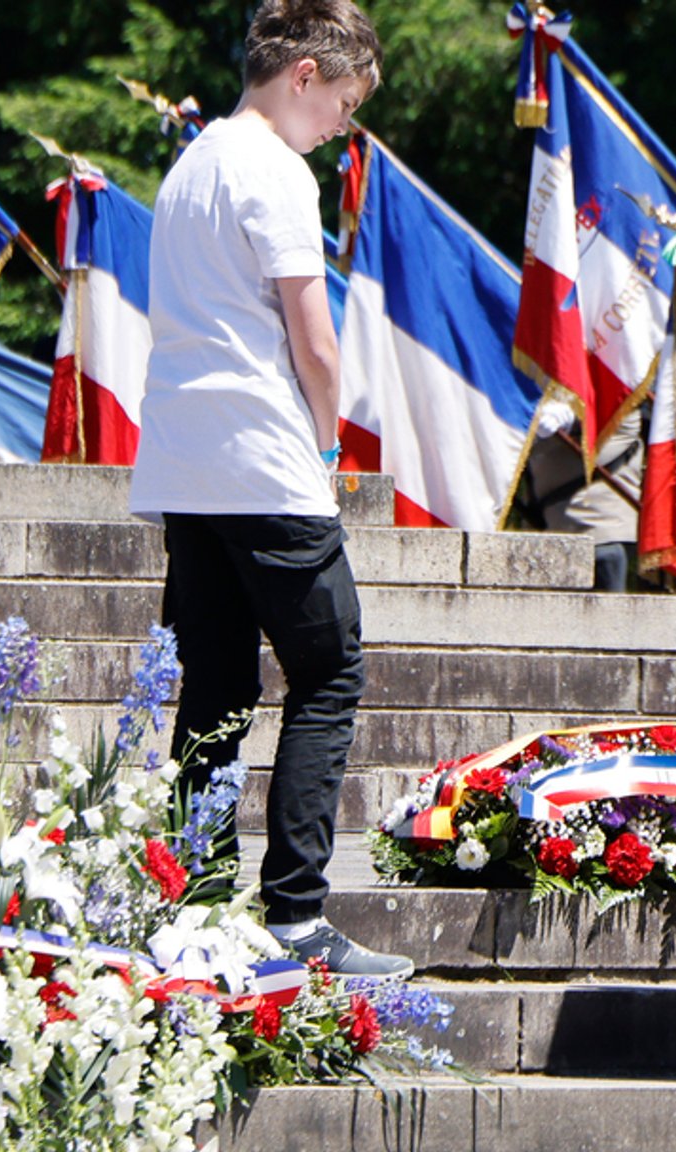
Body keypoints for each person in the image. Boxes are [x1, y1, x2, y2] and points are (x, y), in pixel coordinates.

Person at [127, 0, 410, 978]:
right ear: (302, 76)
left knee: (212, 687)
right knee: (328, 671)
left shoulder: (190, 165)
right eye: (341, 101)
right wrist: (327, 442)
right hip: (263, 460)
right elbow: (314, 340)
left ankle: (192, 907)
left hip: (183, 464)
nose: (341, 124)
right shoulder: (276, 173)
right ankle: (292, 913)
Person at [519, 397, 647, 591]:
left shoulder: (620, 397)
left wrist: (574, 411)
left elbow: (619, 401)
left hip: (604, 534)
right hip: (555, 535)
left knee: (610, 614)